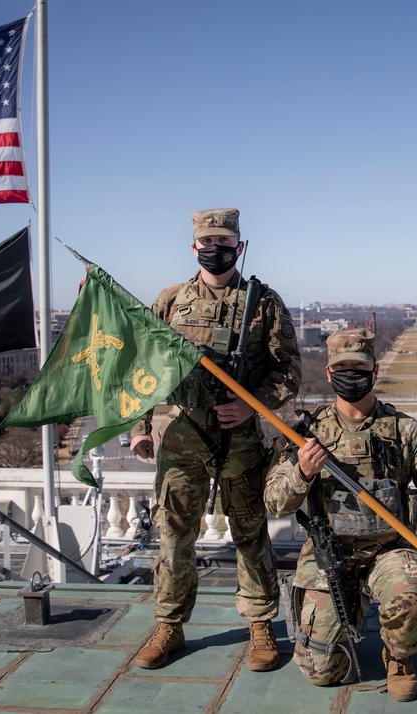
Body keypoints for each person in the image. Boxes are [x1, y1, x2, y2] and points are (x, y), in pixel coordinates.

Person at [265, 328, 417, 702]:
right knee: (322, 673)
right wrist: (301, 472)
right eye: (342, 368)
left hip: (389, 552)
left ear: (375, 371)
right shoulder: (306, 434)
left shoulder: (407, 432)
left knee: (410, 589)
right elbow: (274, 504)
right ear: (330, 374)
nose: (351, 374)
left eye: (359, 367)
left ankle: (398, 656)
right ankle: (347, 613)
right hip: (331, 553)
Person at [129, 208, 302, 672]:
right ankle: (169, 624)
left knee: (249, 535)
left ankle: (261, 624)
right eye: (207, 242)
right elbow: (143, 368)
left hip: (238, 440)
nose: (216, 249)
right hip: (179, 439)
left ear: (239, 247)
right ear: (193, 247)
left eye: (225, 242)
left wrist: (254, 404)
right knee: (174, 537)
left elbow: (290, 371)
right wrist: (140, 427)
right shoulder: (170, 300)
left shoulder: (263, 302)